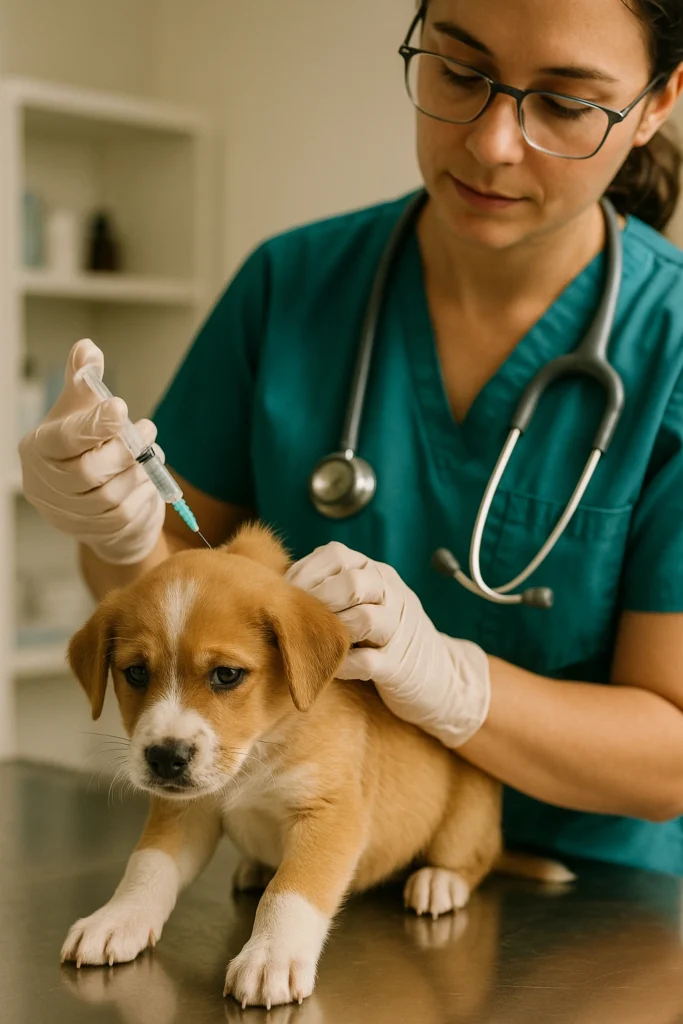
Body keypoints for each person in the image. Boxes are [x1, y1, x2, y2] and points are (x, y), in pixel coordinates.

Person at [19, 0, 683, 875]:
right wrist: (118, 530)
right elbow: (158, 591)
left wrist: (452, 682)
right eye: (458, 70)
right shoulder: (289, 288)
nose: (491, 143)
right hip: (309, 869)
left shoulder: (667, 345)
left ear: (655, 104)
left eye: (564, 103)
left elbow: (669, 758)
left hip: (597, 910)